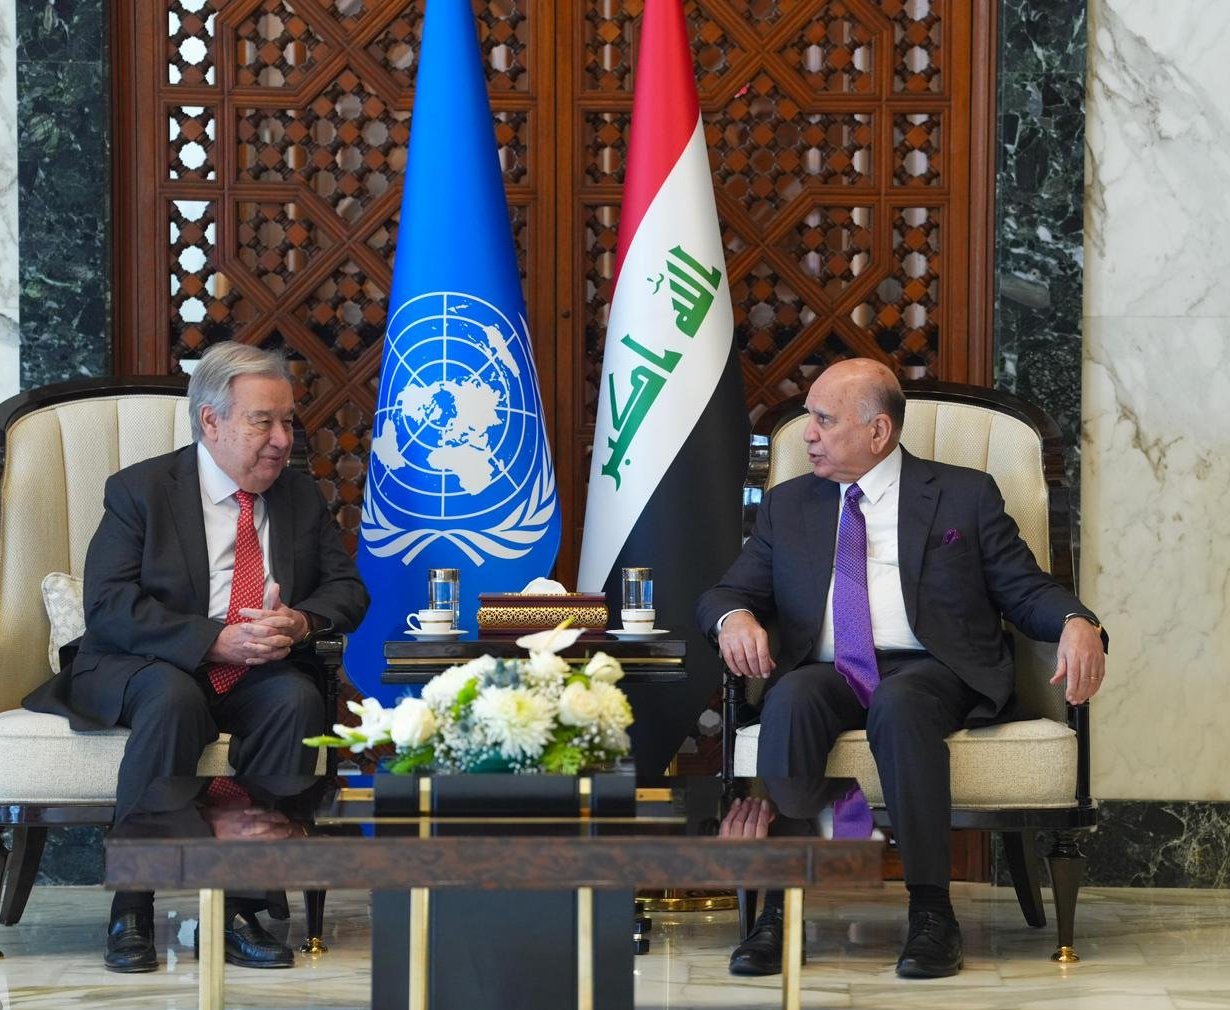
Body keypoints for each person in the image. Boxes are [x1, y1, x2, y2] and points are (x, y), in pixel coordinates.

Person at [696, 359, 1107, 979]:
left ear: (878, 431)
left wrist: (1078, 622)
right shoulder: (789, 504)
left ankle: (932, 914)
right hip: (829, 670)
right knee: (791, 698)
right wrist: (734, 619)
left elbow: (1025, 590)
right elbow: (727, 592)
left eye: (824, 419)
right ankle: (778, 911)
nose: (808, 433)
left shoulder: (964, 494)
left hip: (933, 668)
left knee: (901, 702)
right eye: (808, 417)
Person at [24, 342, 369, 973]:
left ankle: (241, 905)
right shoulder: (141, 490)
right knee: (172, 697)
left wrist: (299, 622)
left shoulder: (297, 496)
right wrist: (212, 639)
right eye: (263, 422)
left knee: (295, 698)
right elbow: (109, 606)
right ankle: (132, 906)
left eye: (287, 421)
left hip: (255, 671)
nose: (282, 440)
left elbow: (347, 591)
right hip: (145, 664)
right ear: (211, 421)